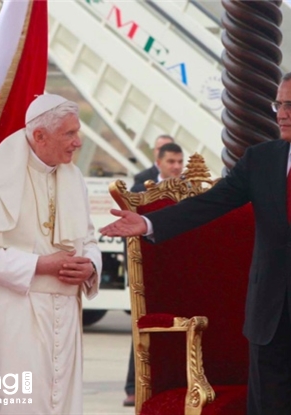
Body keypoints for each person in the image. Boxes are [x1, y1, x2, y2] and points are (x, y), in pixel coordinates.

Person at [101, 70, 291, 415]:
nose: (280, 113)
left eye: (290, 105)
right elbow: (211, 203)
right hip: (269, 313)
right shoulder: (260, 159)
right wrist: (148, 222)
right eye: (278, 104)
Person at [0, 94, 101, 415]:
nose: (78, 142)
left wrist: (89, 266)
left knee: (65, 403)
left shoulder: (73, 177)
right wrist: (40, 264)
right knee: (24, 405)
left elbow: (88, 239)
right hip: (16, 307)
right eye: (70, 134)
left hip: (66, 307)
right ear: (39, 135)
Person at [124, 143, 184, 407]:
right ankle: (133, 387)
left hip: (179, 266)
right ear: (158, 163)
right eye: (171, 161)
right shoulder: (139, 192)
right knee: (143, 327)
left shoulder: (190, 191)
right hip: (148, 267)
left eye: (180, 161)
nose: (177, 167)